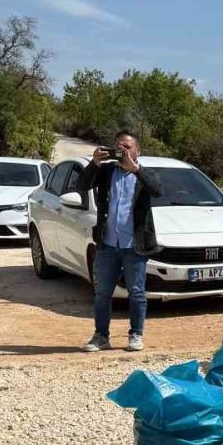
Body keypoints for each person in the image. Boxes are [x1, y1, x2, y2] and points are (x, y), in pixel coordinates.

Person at [75, 131, 163, 352]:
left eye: (127, 147)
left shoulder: (144, 174)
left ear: (138, 151)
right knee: (103, 292)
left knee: (136, 292)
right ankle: (101, 336)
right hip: (107, 244)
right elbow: (81, 185)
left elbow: (158, 190)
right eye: (118, 146)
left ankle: (136, 335)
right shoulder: (106, 171)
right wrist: (94, 163)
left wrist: (135, 168)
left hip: (134, 244)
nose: (122, 150)